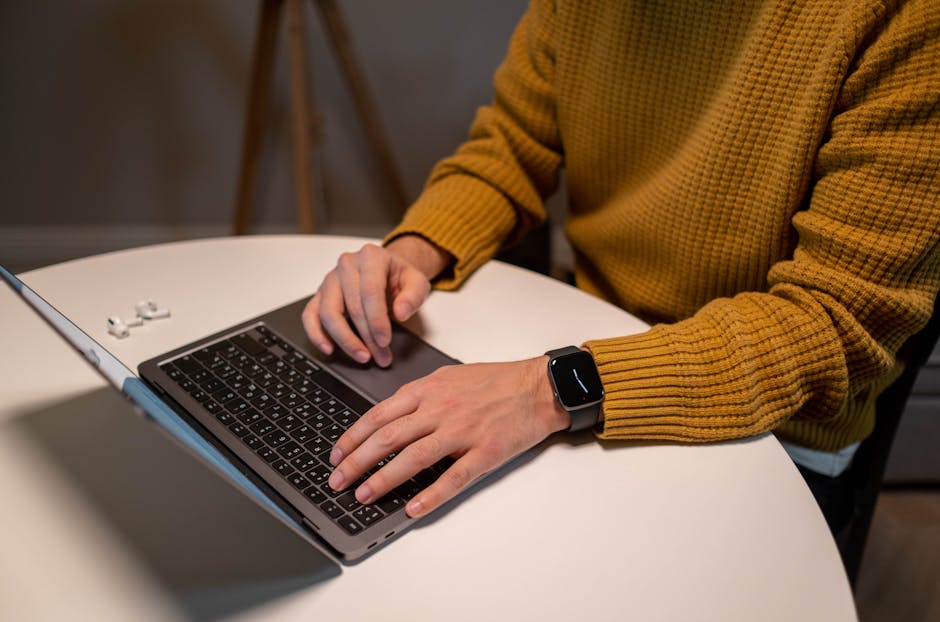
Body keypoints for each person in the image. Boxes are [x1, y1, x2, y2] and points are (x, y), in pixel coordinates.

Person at [301, 0, 940, 527]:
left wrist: (545, 390)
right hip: (587, 348)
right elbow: (511, 146)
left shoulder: (907, 18)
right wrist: (414, 250)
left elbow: (834, 323)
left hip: (773, 428)